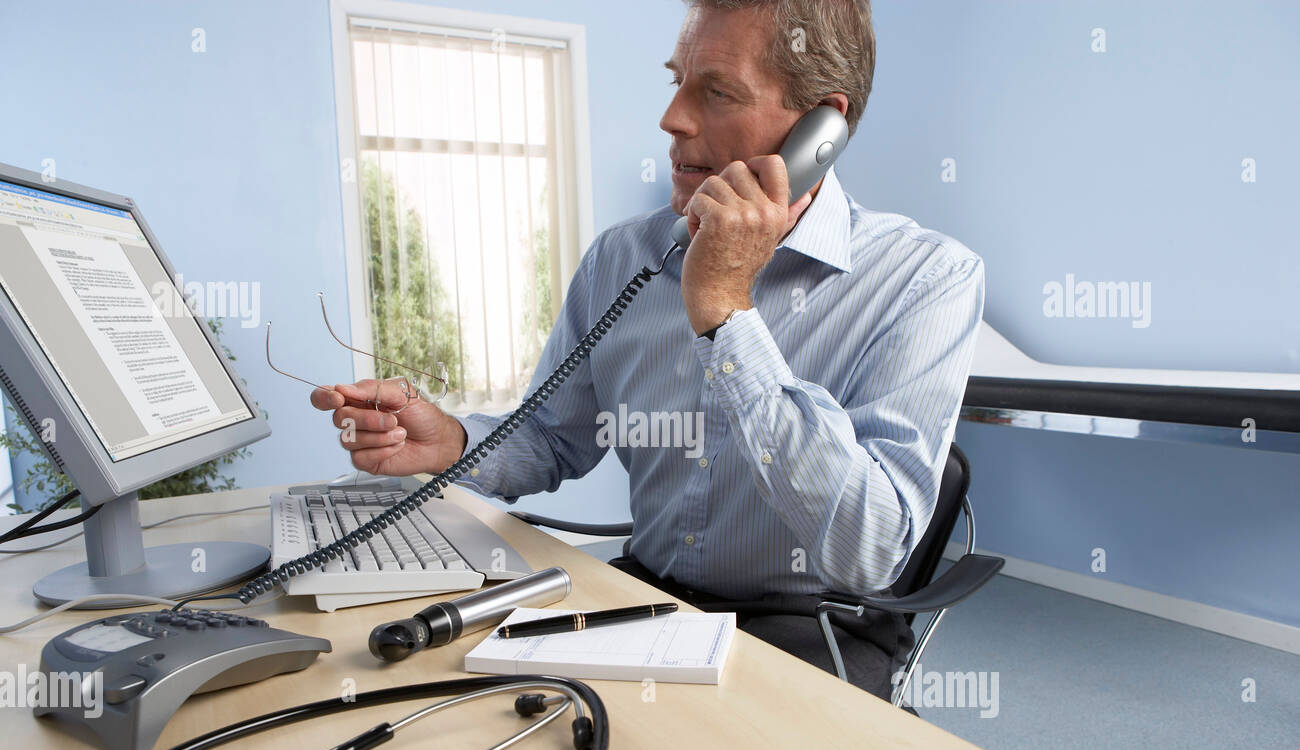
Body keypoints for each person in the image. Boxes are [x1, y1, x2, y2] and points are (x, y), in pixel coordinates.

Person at [311, 0, 984, 702]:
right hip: (651, 597)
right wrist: (451, 443)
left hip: (813, 627)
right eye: (678, 81)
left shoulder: (927, 279)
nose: (673, 119)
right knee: (461, 697)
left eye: (717, 91)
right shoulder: (622, 257)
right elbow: (551, 440)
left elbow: (871, 551)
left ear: (821, 129)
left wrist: (725, 309)